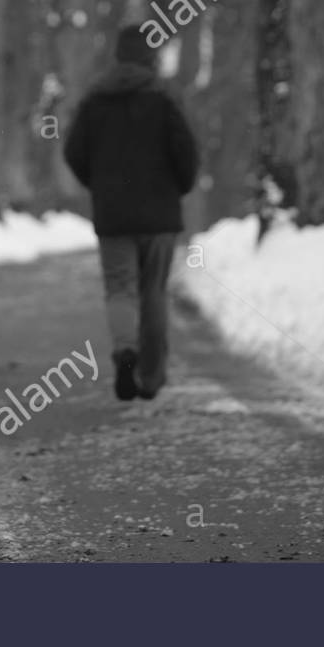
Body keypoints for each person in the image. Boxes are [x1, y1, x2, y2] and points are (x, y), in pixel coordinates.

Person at [63, 24, 199, 401]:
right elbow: (186, 152)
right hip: (159, 215)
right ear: (151, 57)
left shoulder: (95, 99)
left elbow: (74, 152)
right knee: (153, 293)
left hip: (114, 216)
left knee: (120, 289)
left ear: (118, 55)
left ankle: (125, 350)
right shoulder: (165, 98)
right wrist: (179, 187)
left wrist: (100, 186)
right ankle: (151, 378)